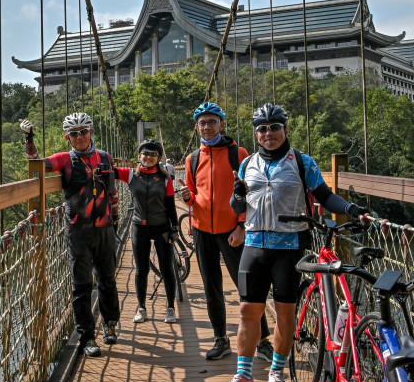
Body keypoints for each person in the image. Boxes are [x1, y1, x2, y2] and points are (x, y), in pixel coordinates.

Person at [216, 103, 371, 382]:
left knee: (286, 314)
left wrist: (352, 210)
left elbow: (325, 196)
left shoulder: (302, 162)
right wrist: (237, 195)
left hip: (289, 248)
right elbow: (237, 207)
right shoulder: (247, 164)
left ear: (286, 130)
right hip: (254, 246)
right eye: (262, 128)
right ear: (256, 134)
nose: (268, 133)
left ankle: (276, 374)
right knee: (248, 311)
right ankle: (244, 377)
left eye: (274, 127)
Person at [180, 102, 273, 362]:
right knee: (211, 287)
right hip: (202, 231)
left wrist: (241, 225)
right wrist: (188, 199)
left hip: (232, 230)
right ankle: (221, 339)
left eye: (212, 121)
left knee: (248, 286)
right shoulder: (192, 158)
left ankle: (263, 340)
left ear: (221, 124)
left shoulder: (238, 153)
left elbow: (250, 192)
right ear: (196, 126)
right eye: (202, 122)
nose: (207, 127)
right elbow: (193, 193)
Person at [22, 113, 121, 358]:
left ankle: (110, 325)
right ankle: (87, 337)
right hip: (78, 231)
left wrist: (116, 223)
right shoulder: (65, 159)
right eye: (74, 133)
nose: (79, 137)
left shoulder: (106, 158)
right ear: (68, 137)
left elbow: (113, 193)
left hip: (105, 229)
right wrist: (29, 139)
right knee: (82, 285)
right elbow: (37, 164)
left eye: (83, 131)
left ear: (92, 132)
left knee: (108, 280)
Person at [116, 139, 179, 324]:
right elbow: (105, 170)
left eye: (153, 154)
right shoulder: (130, 175)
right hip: (139, 227)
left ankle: (170, 308)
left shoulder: (165, 177)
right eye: (145, 153)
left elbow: (170, 205)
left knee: (167, 269)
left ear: (158, 157)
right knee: (141, 270)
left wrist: (174, 228)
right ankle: (141, 308)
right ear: (139, 156)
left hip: (162, 227)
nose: (149, 157)